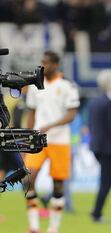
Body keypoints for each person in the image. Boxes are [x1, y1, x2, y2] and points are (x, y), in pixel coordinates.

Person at [23, 51, 80, 233]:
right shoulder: (34, 86)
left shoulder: (67, 86)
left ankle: (53, 228)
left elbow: (72, 114)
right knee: (28, 178)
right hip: (38, 141)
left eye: (46, 62)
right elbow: (31, 113)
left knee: (58, 184)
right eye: (41, 62)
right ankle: (33, 226)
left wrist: (51, 125)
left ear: (56, 64)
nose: (42, 66)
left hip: (60, 141)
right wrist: (27, 139)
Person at [88, 69, 111, 223]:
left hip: (97, 146)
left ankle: (96, 211)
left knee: (109, 178)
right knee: (107, 179)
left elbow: (91, 125)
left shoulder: (95, 101)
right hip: (106, 148)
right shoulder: (109, 103)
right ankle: (96, 213)